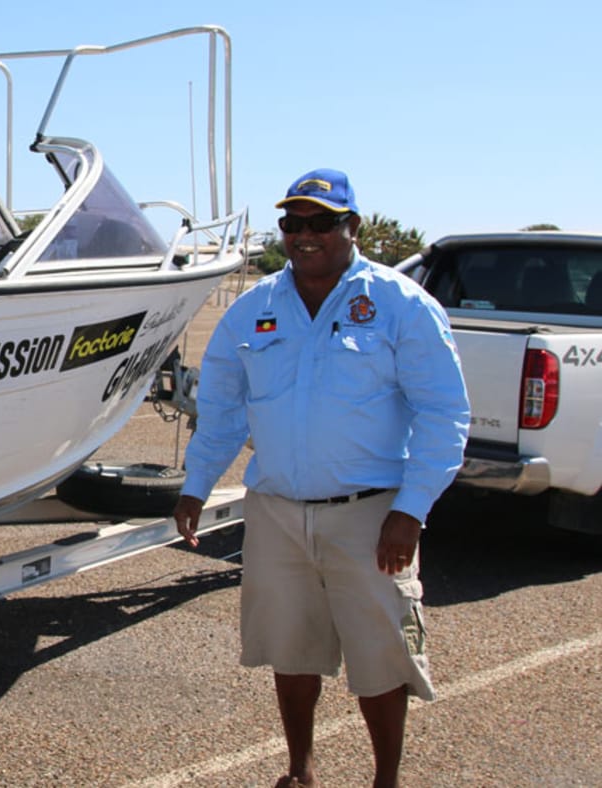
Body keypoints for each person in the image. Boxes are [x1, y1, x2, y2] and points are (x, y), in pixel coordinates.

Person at [172, 168, 470, 788]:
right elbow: (224, 409)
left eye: (321, 222)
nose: (305, 235)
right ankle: (301, 768)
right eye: (293, 223)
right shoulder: (253, 310)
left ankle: (384, 780)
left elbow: (444, 413)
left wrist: (411, 510)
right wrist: (196, 485)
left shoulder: (399, 304)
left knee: (381, 654)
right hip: (277, 510)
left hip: (371, 512)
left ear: (351, 227)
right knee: (291, 648)